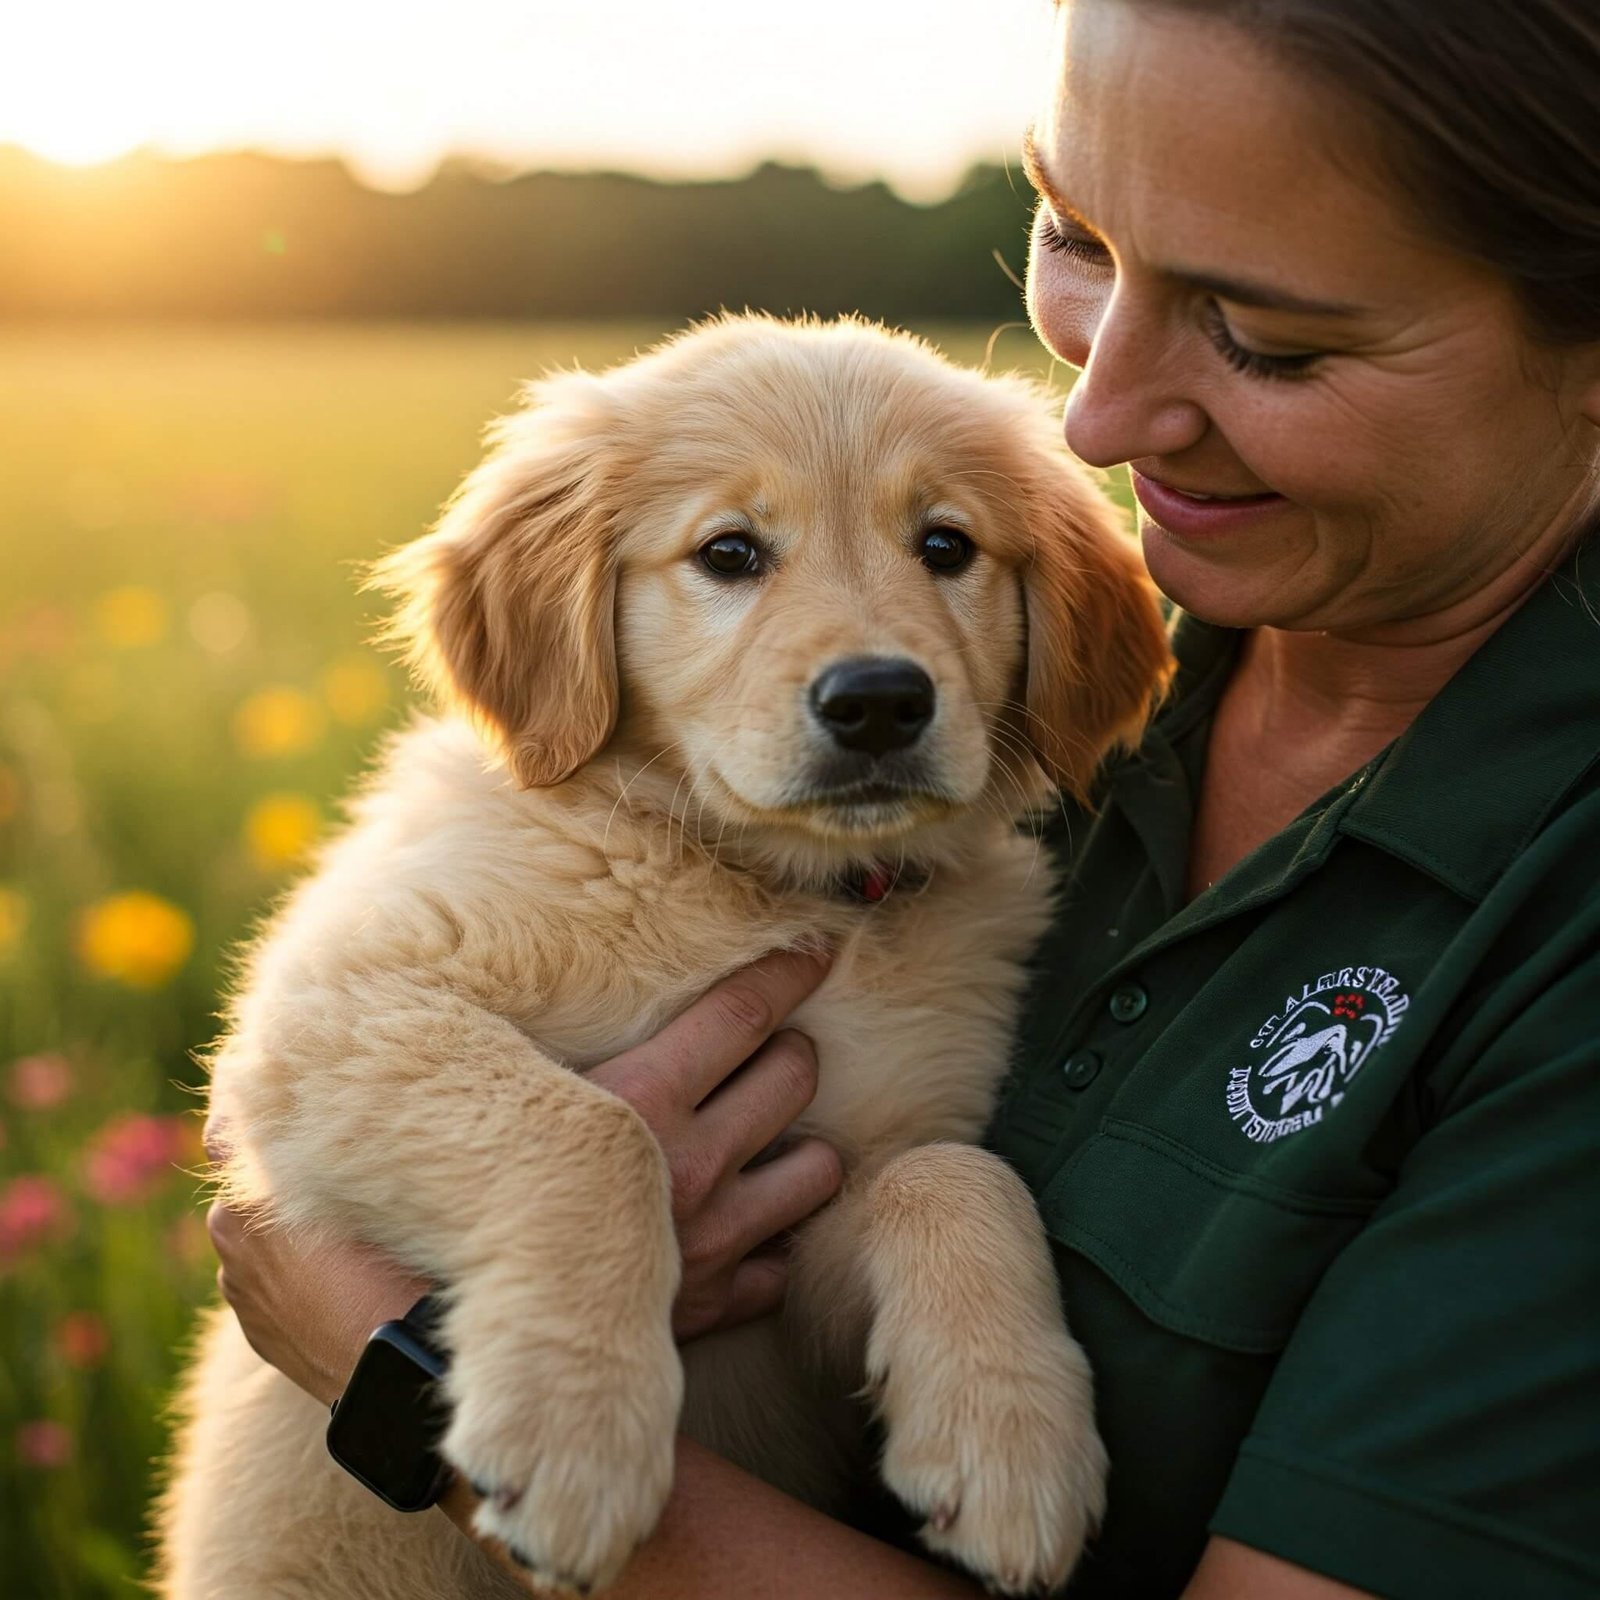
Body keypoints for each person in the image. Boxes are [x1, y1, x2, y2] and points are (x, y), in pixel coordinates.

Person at [202, 0, 1600, 1594]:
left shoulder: (1538, 898)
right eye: (1073, 236)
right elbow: (312, 1059)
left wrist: (407, 1366)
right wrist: (569, 1202)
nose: (1092, 423)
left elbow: (860, 1191)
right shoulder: (1088, 720)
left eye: (1268, 339)